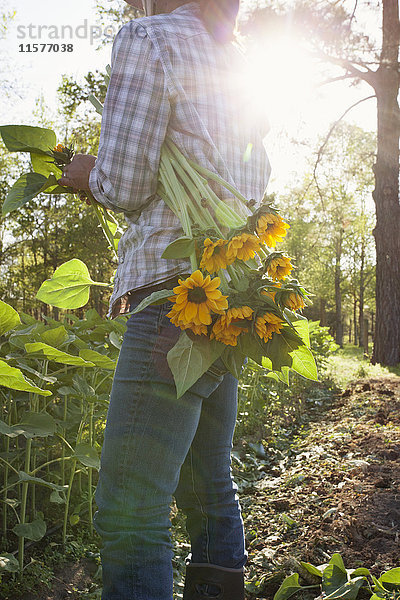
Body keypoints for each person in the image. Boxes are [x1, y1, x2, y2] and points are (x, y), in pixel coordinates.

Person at [59, 1, 270, 598]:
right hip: (228, 306)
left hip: (172, 305)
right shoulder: (237, 59)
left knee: (130, 507)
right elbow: (254, 183)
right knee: (209, 485)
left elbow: (122, 182)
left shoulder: (148, 38)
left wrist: (83, 172)